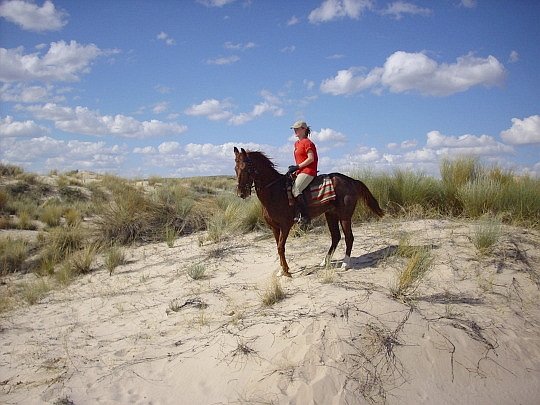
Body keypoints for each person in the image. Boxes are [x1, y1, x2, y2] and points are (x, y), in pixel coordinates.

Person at [287, 120, 318, 226]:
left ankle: (305, 217)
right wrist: (295, 168)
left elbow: (311, 159)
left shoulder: (307, 142)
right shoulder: (297, 143)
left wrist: (297, 167)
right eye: (294, 129)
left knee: (296, 189)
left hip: (308, 171)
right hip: (300, 171)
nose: (295, 130)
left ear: (304, 129)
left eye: (297, 128)